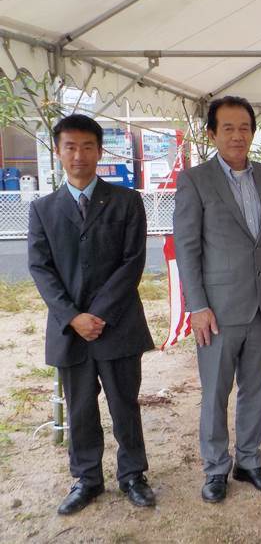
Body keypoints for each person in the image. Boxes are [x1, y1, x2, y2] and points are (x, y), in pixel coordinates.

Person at [28, 114, 155, 515]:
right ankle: (87, 478)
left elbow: (132, 263)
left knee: (124, 405)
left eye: (87, 146)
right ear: (58, 151)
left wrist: (96, 315)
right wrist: (73, 317)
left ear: (100, 151)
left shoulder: (126, 201)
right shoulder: (43, 209)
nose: (78, 155)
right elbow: (41, 269)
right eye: (70, 146)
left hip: (117, 326)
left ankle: (133, 474)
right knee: (81, 408)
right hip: (70, 331)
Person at [173, 95, 261, 503]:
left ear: (253, 133)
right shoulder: (195, 180)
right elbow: (188, 249)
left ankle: (249, 461)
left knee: (255, 388)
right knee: (215, 392)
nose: (237, 136)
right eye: (228, 128)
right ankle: (215, 468)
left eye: (244, 128)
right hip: (218, 310)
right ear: (212, 134)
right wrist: (197, 306)